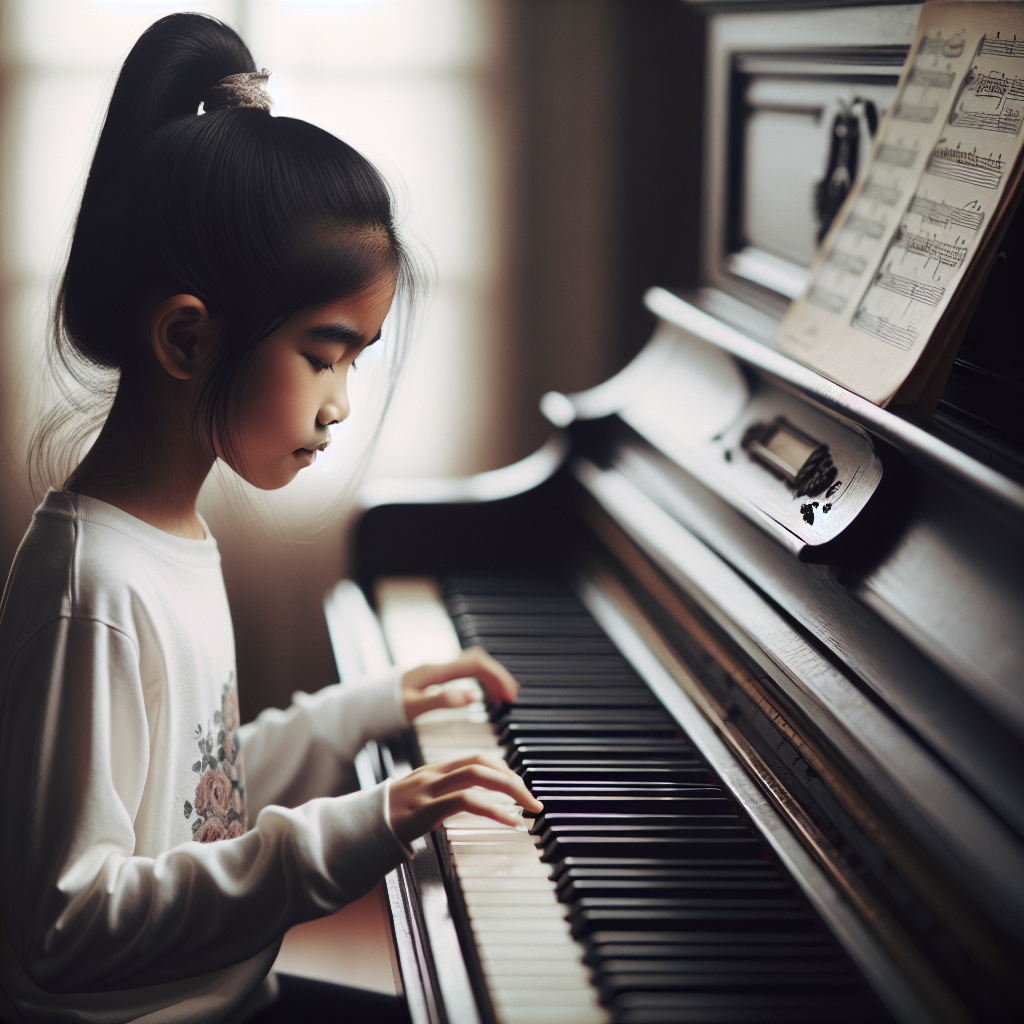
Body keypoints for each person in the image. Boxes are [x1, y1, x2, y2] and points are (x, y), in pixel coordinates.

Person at [0, 13, 541, 1024]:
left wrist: (371, 706)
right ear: (188, 338)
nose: (341, 403)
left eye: (355, 362)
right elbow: (65, 923)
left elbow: (202, 800)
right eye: (323, 354)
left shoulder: (166, 536)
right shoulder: (95, 588)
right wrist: (345, 832)